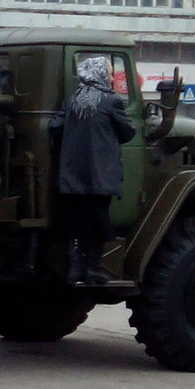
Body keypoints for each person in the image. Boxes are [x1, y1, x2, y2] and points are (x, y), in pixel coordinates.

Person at [49, 55, 135, 286]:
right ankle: (94, 269)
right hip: (100, 176)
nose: (111, 78)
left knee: (77, 223)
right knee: (98, 223)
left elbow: (54, 126)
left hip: (73, 177)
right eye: (110, 73)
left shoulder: (73, 101)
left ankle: (75, 270)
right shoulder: (111, 101)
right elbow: (128, 132)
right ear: (101, 75)